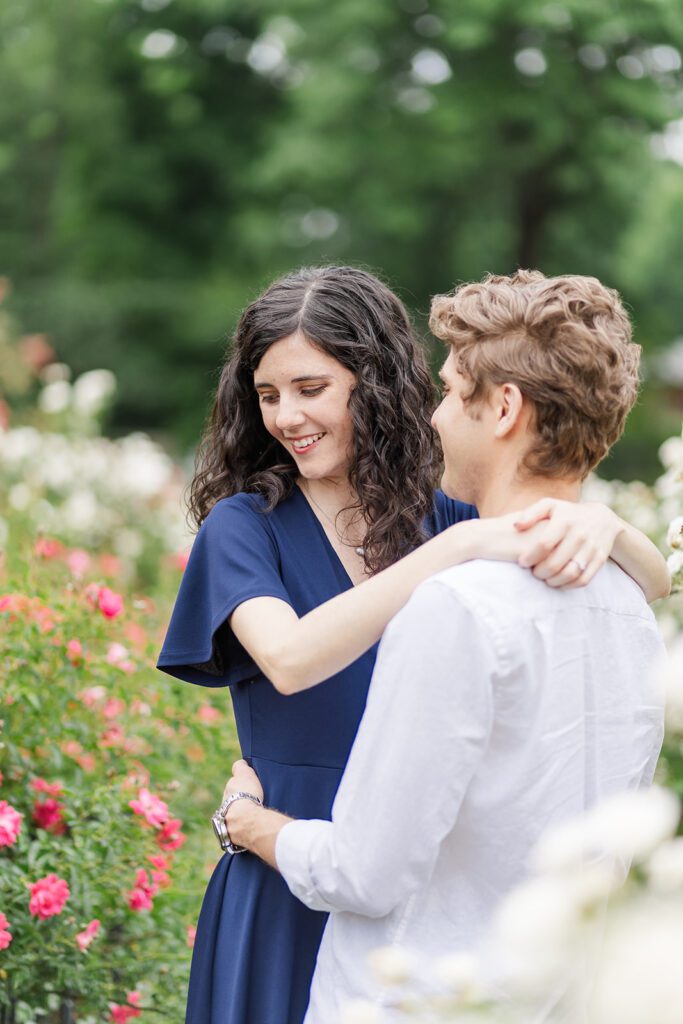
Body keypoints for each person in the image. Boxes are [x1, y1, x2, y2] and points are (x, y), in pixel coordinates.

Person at [156, 266, 668, 1024]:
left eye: (310, 388)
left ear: (372, 383)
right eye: (267, 395)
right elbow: (291, 660)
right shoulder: (247, 526)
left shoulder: (448, 513)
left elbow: (652, 583)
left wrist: (604, 525)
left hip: (417, 876)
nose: (286, 417)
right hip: (285, 860)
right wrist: (456, 549)